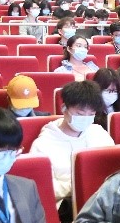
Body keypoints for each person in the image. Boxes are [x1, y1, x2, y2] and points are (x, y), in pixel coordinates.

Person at [29, 80, 113, 211]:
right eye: (80, 114)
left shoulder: (99, 133)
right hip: (66, 206)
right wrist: (78, 185)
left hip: (103, 199)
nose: (85, 118)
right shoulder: (43, 144)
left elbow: (114, 170)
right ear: (64, 108)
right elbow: (42, 187)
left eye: (91, 114)